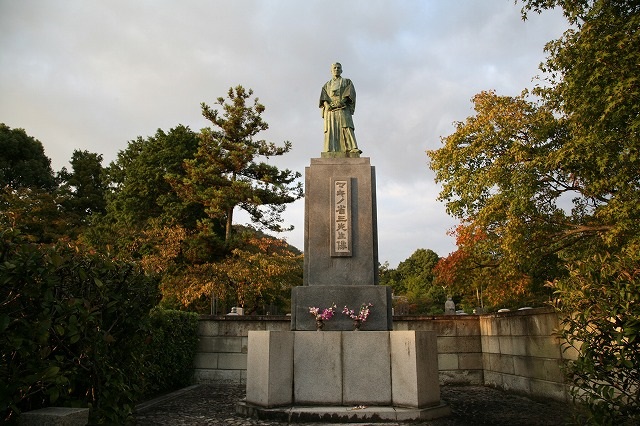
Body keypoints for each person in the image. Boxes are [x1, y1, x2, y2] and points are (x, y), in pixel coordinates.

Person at [319, 62, 362, 154]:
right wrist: (327, 105)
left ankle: (352, 148)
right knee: (331, 129)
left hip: (343, 107)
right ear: (331, 70)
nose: (336, 69)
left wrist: (342, 101)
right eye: (334, 68)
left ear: (341, 70)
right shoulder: (327, 85)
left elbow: (350, 93)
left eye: (338, 68)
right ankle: (330, 149)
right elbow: (324, 97)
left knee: (347, 127)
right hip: (330, 110)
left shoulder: (347, 81)